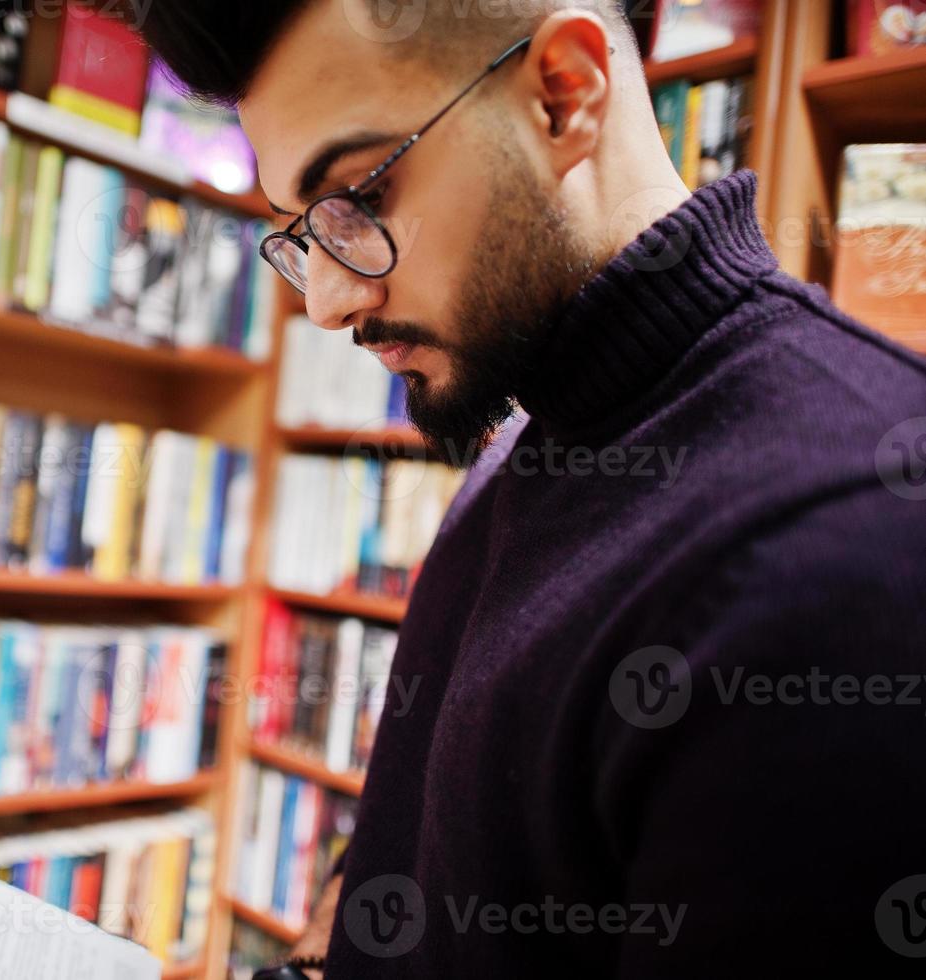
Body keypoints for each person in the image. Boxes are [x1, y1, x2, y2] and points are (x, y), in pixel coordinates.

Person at [132, 1, 926, 976]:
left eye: (360, 196)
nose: (326, 299)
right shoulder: (523, 446)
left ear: (565, 94)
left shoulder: (853, 542)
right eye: (304, 230)